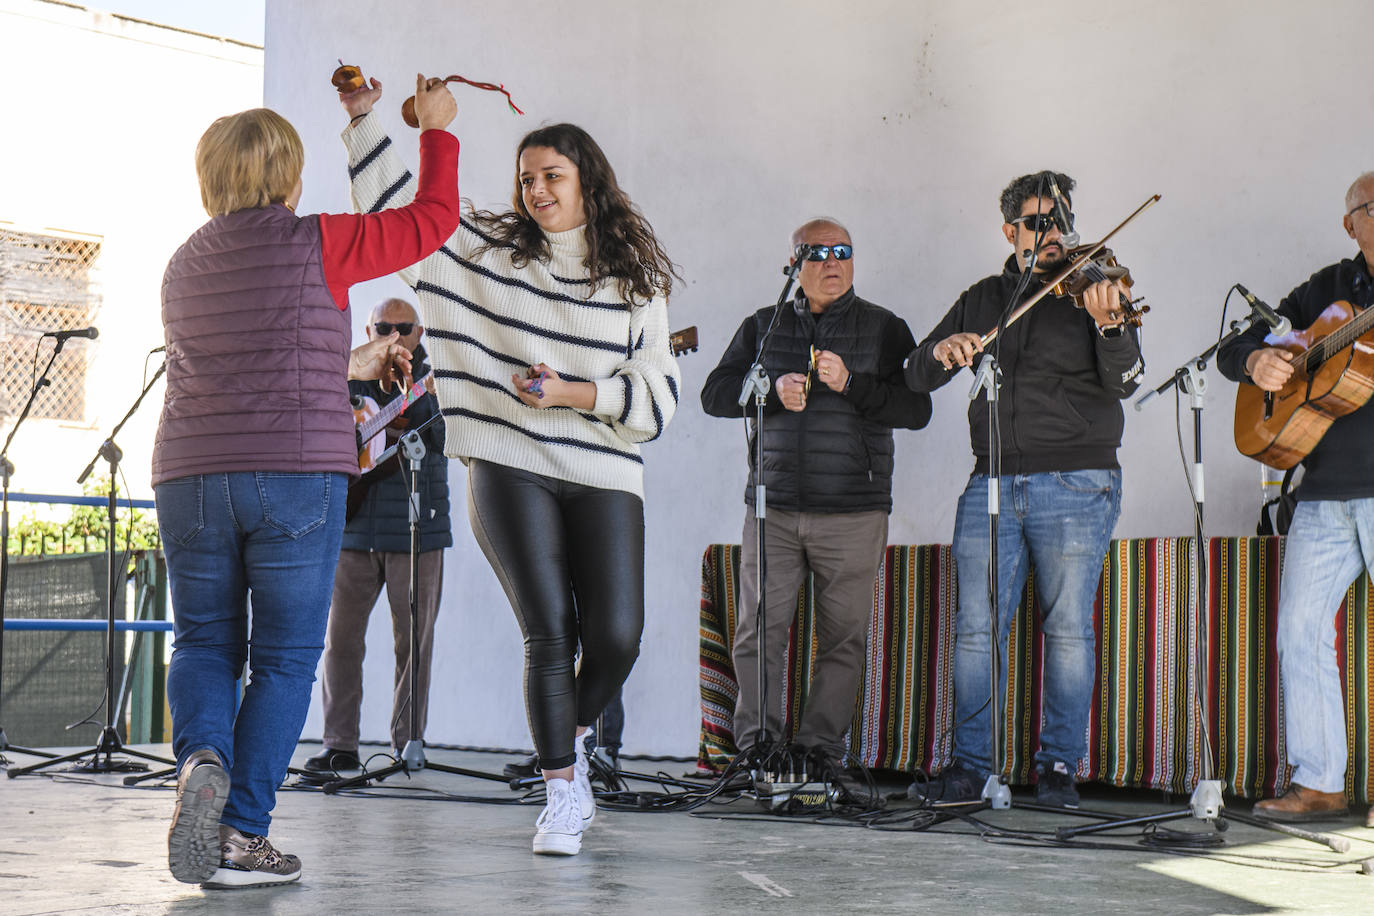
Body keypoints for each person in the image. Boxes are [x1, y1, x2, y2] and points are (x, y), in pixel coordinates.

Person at [341, 82, 679, 856]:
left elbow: (658, 399)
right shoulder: (492, 257)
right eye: (527, 178)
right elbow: (406, 220)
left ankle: (575, 732)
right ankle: (561, 791)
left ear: (588, 182)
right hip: (506, 456)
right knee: (550, 632)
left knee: (619, 635)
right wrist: (367, 121)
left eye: (552, 176)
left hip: (603, 465)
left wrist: (575, 392)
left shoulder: (636, 283)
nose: (536, 191)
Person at [154, 76, 459, 889]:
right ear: (288, 177)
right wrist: (435, 132)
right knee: (286, 659)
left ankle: (200, 763)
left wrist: (351, 361)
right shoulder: (317, 240)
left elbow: (253, 363)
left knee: (204, 642)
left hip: (190, 475)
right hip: (293, 476)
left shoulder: (184, 263)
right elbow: (432, 223)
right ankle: (241, 832)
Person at [904, 171, 1143, 808]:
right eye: (1038, 222)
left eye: (1060, 219)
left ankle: (1059, 766)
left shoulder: (1095, 288)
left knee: (1067, 628)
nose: (1053, 232)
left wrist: (1112, 327)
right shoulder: (985, 297)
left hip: (1077, 478)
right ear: (1010, 231)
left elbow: (1126, 380)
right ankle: (971, 767)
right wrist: (944, 350)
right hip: (992, 479)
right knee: (975, 626)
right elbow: (916, 374)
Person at [700, 218, 932, 769]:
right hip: (772, 511)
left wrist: (851, 384)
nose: (832, 262)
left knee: (843, 640)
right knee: (759, 633)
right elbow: (714, 394)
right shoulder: (763, 325)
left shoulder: (883, 328)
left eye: (843, 252)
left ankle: (819, 750)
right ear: (793, 266)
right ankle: (758, 749)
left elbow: (916, 410)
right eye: (817, 253)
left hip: (854, 512)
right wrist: (771, 391)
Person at [1218, 171, 1374, 825]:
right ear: (1351, 223)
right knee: (1299, 634)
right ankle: (1320, 784)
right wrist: (1258, 362)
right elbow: (1236, 346)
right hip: (1324, 493)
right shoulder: (1327, 289)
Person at [306, 297, 451, 776]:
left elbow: (445, 439)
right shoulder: (344, 378)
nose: (393, 334)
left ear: (420, 332)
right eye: (382, 327)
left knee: (414, 645)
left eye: (403, 327)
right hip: (351, 530)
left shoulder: (436, 381)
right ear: (368, 330)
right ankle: (339, 743)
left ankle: (406, 743)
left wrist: (420, 394)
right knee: (341, 642)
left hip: (417, 531)